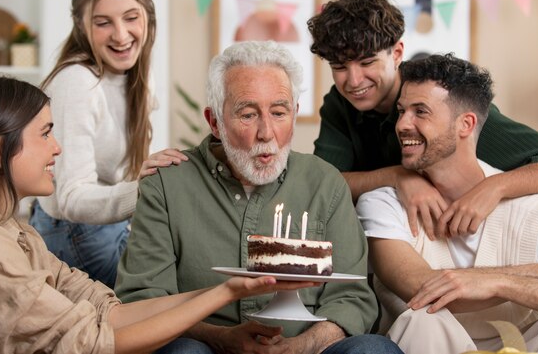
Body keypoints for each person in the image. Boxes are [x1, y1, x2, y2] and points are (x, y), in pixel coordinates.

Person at [0, 73, 319, 354]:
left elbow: (109, 313)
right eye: (44, 134)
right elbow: (94, 343)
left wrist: (229, 288)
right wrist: (226, 292)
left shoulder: (15, 233)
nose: (57, 148)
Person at [115, 41, 403, 354]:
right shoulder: (167, 184)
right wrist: (220, 338)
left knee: (373, 350)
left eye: (279, 113)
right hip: (205, 347)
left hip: (308, 351)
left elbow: (352, 298)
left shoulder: (325, 183)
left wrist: (300, 346)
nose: (266, 132)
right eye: (248, 115)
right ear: (215, 121)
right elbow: (145, 300)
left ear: (293, 113)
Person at [308, 0, 538, 240]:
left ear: (397, 53)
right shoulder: (339, 103)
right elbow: (324, 183)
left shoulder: (443, 95)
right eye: (339, 66)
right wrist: (399, 176)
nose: (353, 81)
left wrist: (496, 187)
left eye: (367, 63)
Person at [356, 54, 538, 353]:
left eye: (421, 112)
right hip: (434, 343)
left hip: (526, 347)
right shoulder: (383, 204)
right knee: (421, 318)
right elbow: (421, 287)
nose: (402, 124)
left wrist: (497, 283)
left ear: (465, 124)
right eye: (402, 111)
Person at [29, 0, 187, 287]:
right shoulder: (77, 83)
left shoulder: (136, 76)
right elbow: (71, 197)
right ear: (81, 25)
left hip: (110, 226)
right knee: (174, 294)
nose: (121, 34)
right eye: (103, 22)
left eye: (131, 18)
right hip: (74, 232)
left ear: (147, 15)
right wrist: (146, 190)